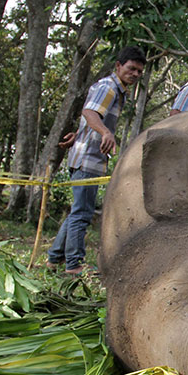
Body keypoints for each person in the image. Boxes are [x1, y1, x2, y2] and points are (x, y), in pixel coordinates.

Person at [48, 46, 146, 275]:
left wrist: (80, 133)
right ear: (119, 66)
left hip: (86, 156)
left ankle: (54, 259)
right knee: (82, 213)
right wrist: (105, 132)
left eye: (139, 72)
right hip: (87, 160)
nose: (135, 74)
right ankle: (74, 264)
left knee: (78, 210)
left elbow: (89, 117)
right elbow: (90, 113)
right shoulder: (108, 87)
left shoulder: (115, 90)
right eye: (131, 69)